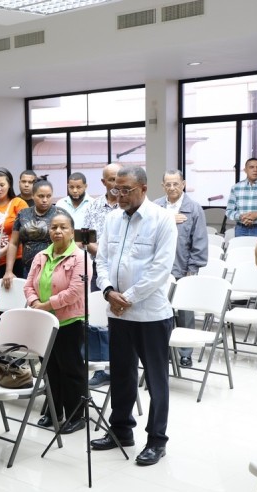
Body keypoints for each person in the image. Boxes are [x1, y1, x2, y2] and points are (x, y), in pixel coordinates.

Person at [91, 166, 177, 467]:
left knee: (155, 380)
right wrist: (107, 291)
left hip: (150, 314)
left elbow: (160, 269)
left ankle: (156, 440)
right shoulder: (112, 219)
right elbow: (102, 260)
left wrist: (126, 298)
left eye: (126, 190)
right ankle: (121, 430)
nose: (119, 195)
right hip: (117, 313)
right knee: (121, 374)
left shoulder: (162, 219)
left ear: (143, 188)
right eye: (116, 189)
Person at [25, 212, 88, 434]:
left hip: (69, 322)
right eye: (54, 227)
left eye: (63, 227)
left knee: (71, 369)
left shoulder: (80, 257)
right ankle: (54, 412)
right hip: (45, 322)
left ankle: (76, 415)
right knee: (50, 368)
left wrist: (46, 305)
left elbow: (75, 291)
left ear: (72, 232)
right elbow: (28, 285)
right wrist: (34, 302)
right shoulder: (41, 255)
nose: (58, 231)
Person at [154, 170, 208, 368]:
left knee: (185, 312)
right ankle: (165, 350)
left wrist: (192, 269)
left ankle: (186, 352)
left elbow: (199, 241)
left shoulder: (194, 208)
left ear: (183, 184)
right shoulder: (156, 207)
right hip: (159, 269)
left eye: (175, 184)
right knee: (161, 312)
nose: (172, 188)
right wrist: (168, 217)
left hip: (183, 268)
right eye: (168, 184)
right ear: (162, 186)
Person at [83, 163, 122, 386]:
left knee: (121, 318)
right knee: (99, 318)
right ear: (103, 182)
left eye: (118, 178)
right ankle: (102, 368)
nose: (115, 183)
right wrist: (105, 254)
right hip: (99, 269)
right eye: (111, 179)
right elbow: (85, 238)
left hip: (125, 270)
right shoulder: (93, 206)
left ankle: (123, 366)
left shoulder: (130, 205)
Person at [2, 179, 63, 286]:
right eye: (41, 196)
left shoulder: (60, 214)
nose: (45, 200)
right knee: (29, 296)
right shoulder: (23, 214)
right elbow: (14, 243)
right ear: (33, 196)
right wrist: (8, 271)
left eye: (48, 196)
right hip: (28, 269)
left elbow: (70, 242)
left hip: (55, 269)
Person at [0, 167, 28, 279]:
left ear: (9, 185)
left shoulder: (19, 203)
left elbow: (23, 235)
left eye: (2, 185)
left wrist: (0, 253)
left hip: (14, 260)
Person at [226, 158, 257, 237]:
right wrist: (241, 217)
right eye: (251, 167)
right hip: (241, 228)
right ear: (245, 170)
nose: (255, 170)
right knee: (240, 246)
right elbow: (229, 211)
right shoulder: (236, 187)